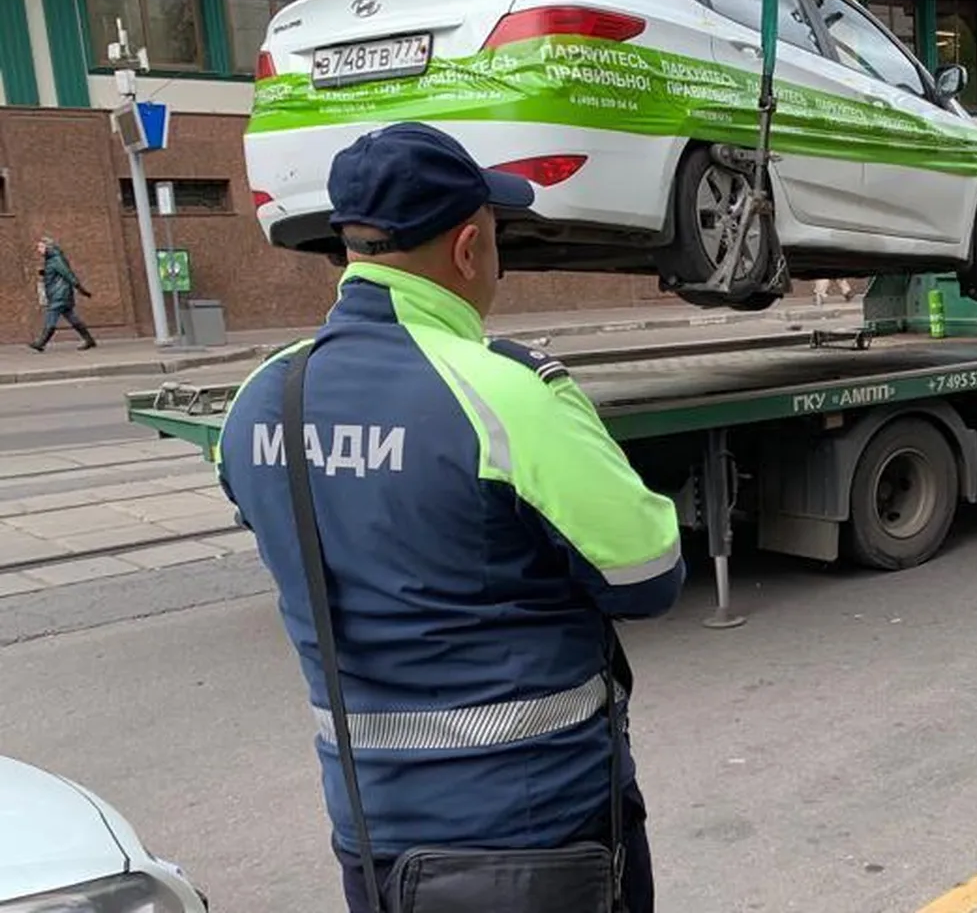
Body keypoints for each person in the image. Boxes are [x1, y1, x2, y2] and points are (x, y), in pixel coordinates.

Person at [214, 122, 685, 913]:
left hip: (371, 833)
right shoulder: (504, 393)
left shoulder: (263, 396)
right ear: (469, 248)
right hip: (537, 830)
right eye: (497, 238)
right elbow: (647, 574)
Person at [29, 237, 95, 352]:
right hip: (60, 294)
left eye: (40, 247)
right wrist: (45, 272)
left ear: (48, 247)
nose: (38, 250)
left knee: (51, 315)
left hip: (60, 294)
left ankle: (41, 342)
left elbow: (68, 274)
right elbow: (57, 273)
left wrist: (80, 289)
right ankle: (89, 340)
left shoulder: (56, 259)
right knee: (72, 318)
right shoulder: (51, 260)